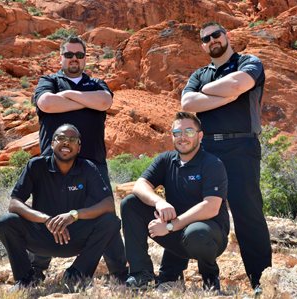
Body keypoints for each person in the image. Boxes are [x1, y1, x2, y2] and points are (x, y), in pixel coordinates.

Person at [181, 21, 272, 295]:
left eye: (216, 35)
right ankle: (210, 280)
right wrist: (229, 95)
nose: (212, 41)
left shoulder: (248, 61)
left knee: (249, 215)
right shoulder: (199, 74)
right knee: (207, 214)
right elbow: (187, 104)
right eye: (206, 38)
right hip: (207, 149)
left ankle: (261, 282)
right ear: (203, 45)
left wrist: (209, 92)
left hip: (242, 146)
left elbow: (240, 82)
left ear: (226, 35)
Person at [32, 35, 127, 281]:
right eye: (69, 54)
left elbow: (104, 101)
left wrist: (68, 96)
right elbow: (47, 104)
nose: (74, 59)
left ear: (85, 58)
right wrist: (86, 100)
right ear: (61, 57)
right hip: (53, 165)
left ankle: (119, 272)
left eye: (79, 55)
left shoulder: (97, 82)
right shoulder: (48, 81)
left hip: (92, 162)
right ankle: (35, 271)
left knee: (105, 215)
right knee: (45, 214)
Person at [0, 124, 122, 291]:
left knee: (110, 221)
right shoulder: (36, 166)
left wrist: (73, 215)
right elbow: (14, 203)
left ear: (79, 147)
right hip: (41, 235)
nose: (66, 143)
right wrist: (45, 219)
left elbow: (107, 204)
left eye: (72, 140)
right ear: (52, 143)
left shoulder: (88, 168)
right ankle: (25, 279)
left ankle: (78, 274)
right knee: (6, 222)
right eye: (61, 138)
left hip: (74, 237)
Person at [121, 112, 229, 292]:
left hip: (208, 234)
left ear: (200, 136)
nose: (183, 137)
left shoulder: (212, 164)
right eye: (177, 133)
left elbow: (211, 207)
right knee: (130, 204)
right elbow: (140, 185)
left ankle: (210, 278)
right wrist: (159, 202)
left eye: (189, 131)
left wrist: (171, 226)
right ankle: (141, 274)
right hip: (175, 229)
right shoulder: (166, 160)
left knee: (197, 233)